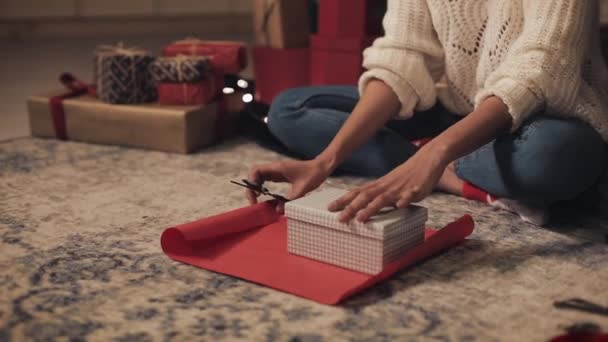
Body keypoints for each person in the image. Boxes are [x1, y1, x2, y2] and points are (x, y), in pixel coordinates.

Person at [246, 0, 608, 226]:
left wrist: (438, 152)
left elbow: (541, 67)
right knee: (289, 108)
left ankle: (427, 163)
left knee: (555, 157)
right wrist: (324, 162)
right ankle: (439, 171)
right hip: (452, 110)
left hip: (540, 118)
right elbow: (402, 59)